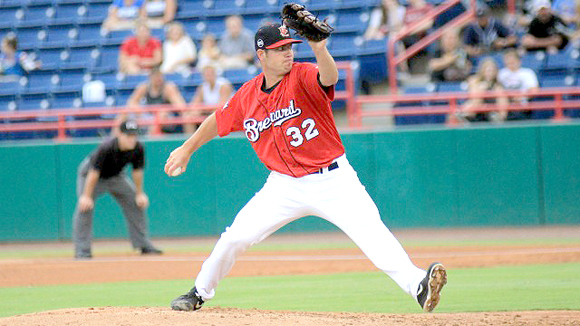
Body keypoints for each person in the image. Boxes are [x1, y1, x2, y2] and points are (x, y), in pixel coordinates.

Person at [165, 23, 447, 313]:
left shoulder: (302, 74)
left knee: (372, 232)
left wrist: (319, 48)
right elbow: (217, 119)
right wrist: (187, 148)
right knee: (236, 236)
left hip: (333, 179)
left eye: (290, 47)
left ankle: (418, 286)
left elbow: (329, 77)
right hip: (284, 185)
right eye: (280, 49)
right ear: (261, 55)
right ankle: (199, 291)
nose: (288, 53)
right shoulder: (247, 96)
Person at [73, 120, 162, 259]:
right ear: (119, 134)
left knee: (136, 203)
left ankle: (143, 245)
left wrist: (139, 194)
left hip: (116, 177)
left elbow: (137, 171)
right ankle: (82, 250)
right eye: (128, 135)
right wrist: (86, 196)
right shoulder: (107, 147)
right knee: (84, 207)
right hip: (91, 176)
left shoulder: (138, 147)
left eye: (134, 135)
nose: (132, 139)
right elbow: (93, 173)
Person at [119, 67, 187, 133]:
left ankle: (150, 141)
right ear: (150, 78)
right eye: (155, 77)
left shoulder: (168, 88)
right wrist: (138, 110)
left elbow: (180, 105)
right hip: (148, 115)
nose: (157, 79)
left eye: (159, 77)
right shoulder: (144, 87)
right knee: (123, 113)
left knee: (160, 117)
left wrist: (166, 109)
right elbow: (131, 102)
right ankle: (115, 139)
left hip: (165, 117)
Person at [456, 57, 509, 123]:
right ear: (482, 70)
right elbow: (473, 96)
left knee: (501, 94)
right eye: (488, 70)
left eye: (493, 70)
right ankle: (466, 116)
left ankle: (500, 119)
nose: (490, 73)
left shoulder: (497, 85)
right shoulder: (474, 80)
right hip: (476, 106)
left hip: (491, 107)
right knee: (477, 97)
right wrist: (483, 88)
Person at [186, 63, 234, 133]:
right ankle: (190, 141)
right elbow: (194, 104)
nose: (208, 75)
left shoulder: (224, 85)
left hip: (225, 114)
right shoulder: (202, 87)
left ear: (215, 74)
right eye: (206, 74)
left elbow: (222, 106)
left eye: (210, 73)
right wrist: (194, 112)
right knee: (189, 118)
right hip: (210, 113)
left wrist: (205, 111)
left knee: (215, 118)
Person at [497, 49, 539, 120]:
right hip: (505, 105)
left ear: (519, 61)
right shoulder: (501, 73)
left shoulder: (527, 73)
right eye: (508, 60)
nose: (510, 63)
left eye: (513, 60)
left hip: (522, 105)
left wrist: (520, 97)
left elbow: (534, 90)